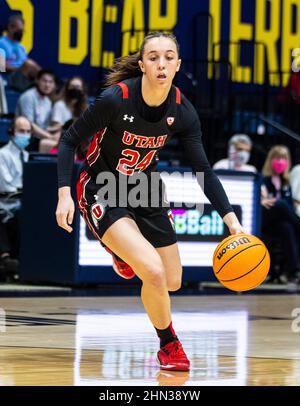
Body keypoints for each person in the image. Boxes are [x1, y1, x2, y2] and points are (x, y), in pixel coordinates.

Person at [56, 32, 243, 371]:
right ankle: (169, 345)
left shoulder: (183, 110)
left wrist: (232, 221)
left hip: (145, 187)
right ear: (142, 65)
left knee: (172, 280)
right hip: (102, 185)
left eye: (169, 57)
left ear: (178, 64)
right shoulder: (116, 99)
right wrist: (64, 193)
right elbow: (69, 141)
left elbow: (202, 170)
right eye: (154, 57)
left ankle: (123, 252)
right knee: (153, 273)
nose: (161, 63)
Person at [261, 145, 300, 282]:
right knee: (281, 204)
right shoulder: (262, 180)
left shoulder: (287, 183)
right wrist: (263, 200)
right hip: (264, 219)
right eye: (277, 158)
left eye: (283, 158)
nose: (280, 161)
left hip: (279, 223)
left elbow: (289, 207)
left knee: (287, 228)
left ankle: (294, 271)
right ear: (271, 160)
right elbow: (264, 201)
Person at [0, 116, 31, 278]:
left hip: (25, 202)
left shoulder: (28, 156)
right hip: (7, 204)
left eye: (27, 132)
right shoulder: (2, 155)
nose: (25, 135)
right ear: (12, 132)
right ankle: (9, 261)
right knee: (21, 216)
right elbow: (6, 186)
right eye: (21, 131)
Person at [15, 69, 58, 152]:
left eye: (50, 82)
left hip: (38, 139)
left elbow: (44, 126)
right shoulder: (28, 96)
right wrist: (50, 137)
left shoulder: (48, 101)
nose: (47, 85)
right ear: (37, 81)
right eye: (44, 81)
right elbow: (29, 125)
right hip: (26, 138)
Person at [0, 14, 41, 91]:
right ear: (10, 28)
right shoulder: (1, 43)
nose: (21, 33)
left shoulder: (21, 47)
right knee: (28, 64)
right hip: (8, 78)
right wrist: (21, 68)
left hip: (25, 79)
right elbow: (1, 66)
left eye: (22, 31)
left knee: (44, 78)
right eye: (19, 30)